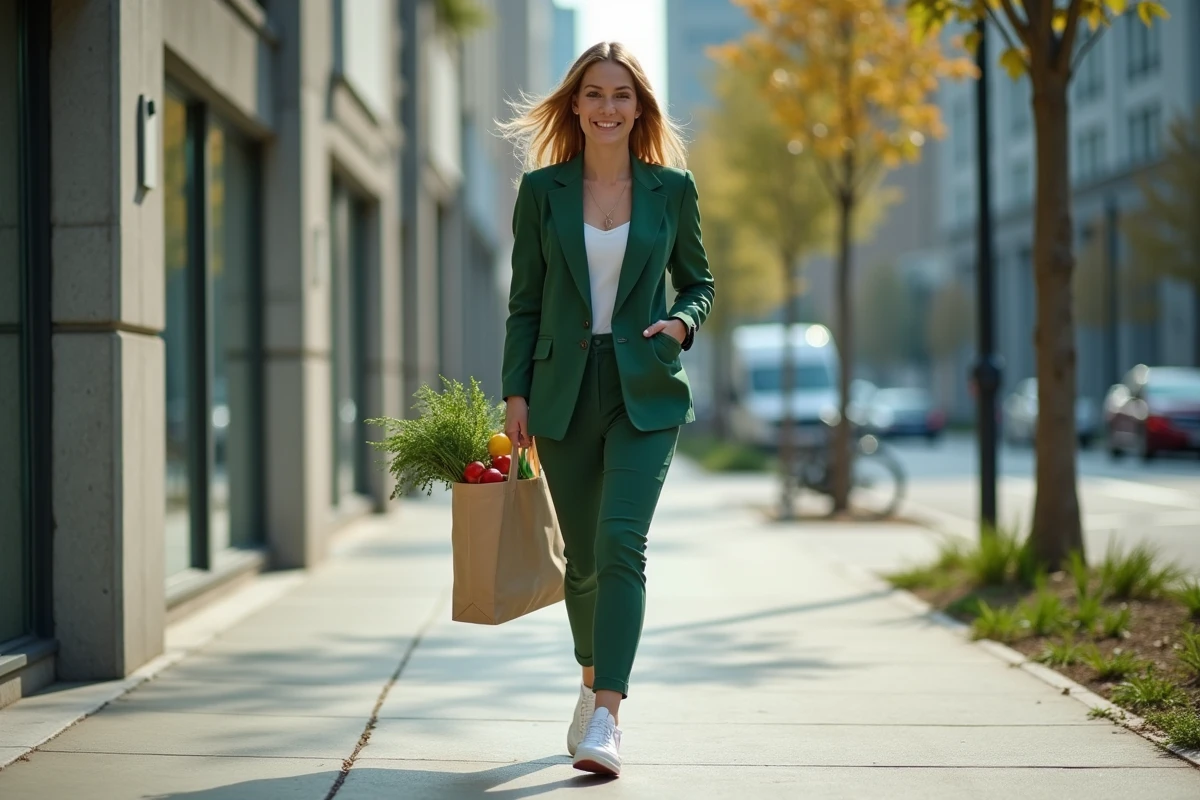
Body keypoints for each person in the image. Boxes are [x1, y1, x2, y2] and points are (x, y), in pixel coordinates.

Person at [498, 41, 715, 777]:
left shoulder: (672, 190)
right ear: (576, 105)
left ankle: (608, 720)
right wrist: (515, 391)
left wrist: (682, 322)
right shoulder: (542, 192)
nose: (608, 107)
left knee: (622, 544)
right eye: (595, 93)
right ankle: (591, 682)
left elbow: (699, 282)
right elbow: (524, 302)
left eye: (622, 94)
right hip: (562, 391)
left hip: (644, 389)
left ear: (640, 107)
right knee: (582, 563)